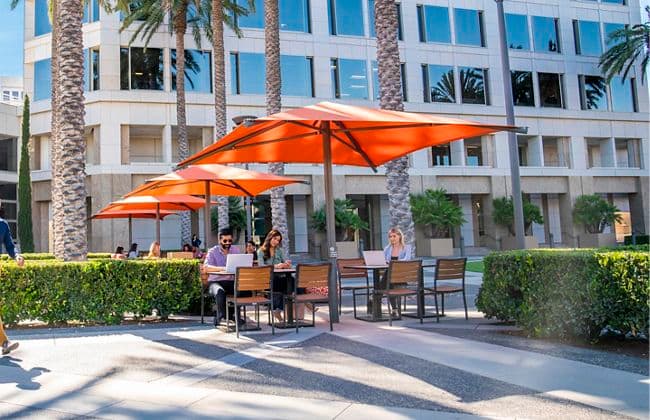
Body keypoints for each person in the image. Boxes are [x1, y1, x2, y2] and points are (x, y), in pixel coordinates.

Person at [203, 228, 245, 326]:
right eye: (225, 241)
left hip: (230, 281)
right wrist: (222, 269)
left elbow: (241, 265)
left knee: (241, 290)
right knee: (220, 292)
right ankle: (220, 314)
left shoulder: (235, 250)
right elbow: (206, 268)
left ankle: (234, 316)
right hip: (215, 282)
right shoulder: (212, 251)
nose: (227, 243)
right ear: (219, 240)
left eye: (230, 241)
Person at [0, 205, 22, 355]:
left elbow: (9, 245)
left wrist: (17, 256)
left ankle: (4, 342)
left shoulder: (2, 225)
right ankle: (4, 342)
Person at [257, 229, 293, 321]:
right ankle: (306, 302)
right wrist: (276, 266)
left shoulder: (279, 251)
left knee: (291, 280)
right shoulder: (261, 251)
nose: (276, 241)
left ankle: (277, 310)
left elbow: (284, 262)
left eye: (278, 240)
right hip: (267, 281)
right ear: (270, 237)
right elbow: (261, 266)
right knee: (288, 284)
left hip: (279, 279)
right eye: (275, 238)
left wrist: (286, 264)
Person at [381, 227, 414, 314]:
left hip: (401, 276)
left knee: (388, 275)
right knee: (389, 278)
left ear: (399, 236)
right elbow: (382, 260)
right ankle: (394, 309)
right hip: (390, 277)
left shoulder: (406, 247)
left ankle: (375, 296)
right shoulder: (387, 248)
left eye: (394, 236)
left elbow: (407, 259)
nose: (392, 238)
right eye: (390, 236)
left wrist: (393, 263)